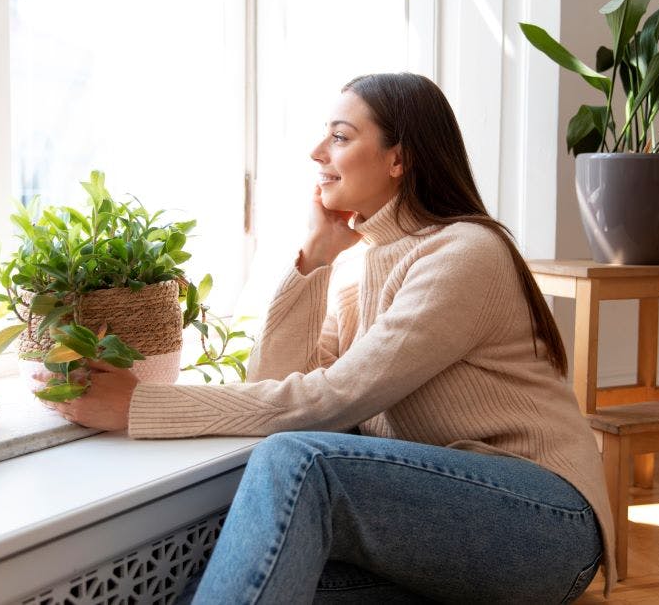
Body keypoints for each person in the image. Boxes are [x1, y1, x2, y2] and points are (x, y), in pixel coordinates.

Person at [49, 73, 615, 604]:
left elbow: (333, 400)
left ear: (399, 158)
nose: (317, 153)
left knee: (301, 462)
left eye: (340, 137)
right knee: (203, 586)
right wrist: (316, 257)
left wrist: (141, 404)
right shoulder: (360, 269)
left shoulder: (464, 253)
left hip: (544, 522)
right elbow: (274, 383)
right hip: (441, 523)